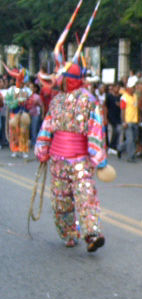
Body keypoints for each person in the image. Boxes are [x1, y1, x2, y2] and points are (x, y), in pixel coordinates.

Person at [34, 60, 108, 252]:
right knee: (61, 200)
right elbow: (47, 126)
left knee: (85, 195)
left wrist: (98, 158)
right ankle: (69, 234)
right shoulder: (57, 100)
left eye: (63, 78)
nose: (59, 81)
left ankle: (92, 234)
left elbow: (96, 129)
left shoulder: (89, 100)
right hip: (58, 160)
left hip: (80, 159)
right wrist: (42, 148)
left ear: (71, 79)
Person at [2, 64, 31, 158]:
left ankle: (23, 150)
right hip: (14, 113)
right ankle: (15, 150)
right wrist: (15, 101)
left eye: (21, 81)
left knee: (24, 132)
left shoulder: (27, 90)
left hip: (23, 113)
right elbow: (7, 101)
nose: (20, 83)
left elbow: (30, 101)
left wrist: (25, 100)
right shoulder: (11, 90)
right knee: (14, 132)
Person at [118, 76, 139, 162]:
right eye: (133, 87)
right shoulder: (124, 97)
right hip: (128, 121)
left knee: (133, 139)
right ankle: (131, 156)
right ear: (129, 88)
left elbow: (136, 108)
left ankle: (120, 148)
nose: (134, 89)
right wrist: (124, 122)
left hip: (135, 121)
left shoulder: (135, 96)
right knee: (130, 140)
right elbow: (122, 110)